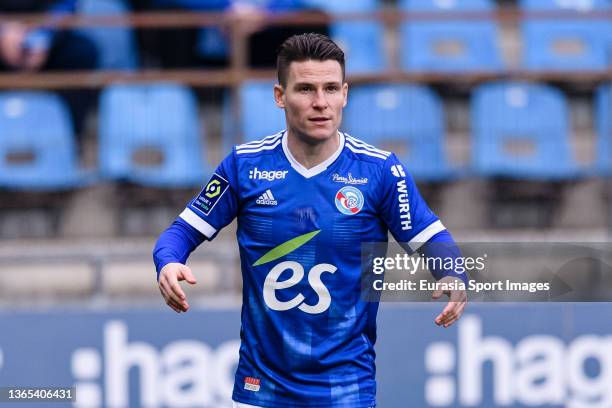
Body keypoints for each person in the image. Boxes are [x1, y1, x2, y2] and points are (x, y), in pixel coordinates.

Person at [154, 33, 468, 408]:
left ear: (345, 94)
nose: (321, 103)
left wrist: (453, 273)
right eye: (305, 89)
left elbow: (430, 236)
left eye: (331, 88)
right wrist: (169, 262)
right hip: (261, 390)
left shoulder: (379, 171)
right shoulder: (245, 166)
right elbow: (181, 232)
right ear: (279, 96)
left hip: (346, 388)